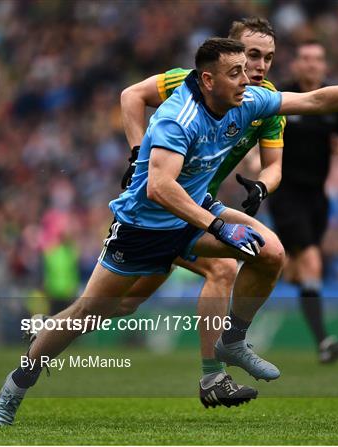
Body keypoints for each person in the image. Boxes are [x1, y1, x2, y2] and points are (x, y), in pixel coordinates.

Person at [0, 36, 338, 426]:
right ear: (207, 80)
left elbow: (313, 99)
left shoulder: (248, 100)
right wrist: (219, 226)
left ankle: (232, 342)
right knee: (87, 314)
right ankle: (16, 385)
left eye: (248, 69)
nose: (248, 79)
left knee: (271, 251)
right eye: (236, 72)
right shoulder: (176, 117)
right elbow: (159, 188)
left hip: (194, 217)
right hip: (143, 229)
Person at [117, 18, 285, 408]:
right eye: (251, 56)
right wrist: (137, 154)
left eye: (268, 58)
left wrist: (263, 184)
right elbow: (131, 96)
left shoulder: (267, 103)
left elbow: (274, 164)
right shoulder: (190, 81)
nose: (258, 67)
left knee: (127, 300)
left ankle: (216, 370)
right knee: (125, 298)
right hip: (162, 204)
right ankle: (213, 376)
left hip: (199, 206)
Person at [269, 41, 338, 363]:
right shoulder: (284, 98)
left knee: (293, 272)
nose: (311, 64)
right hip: (287, 194)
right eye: (305, 58)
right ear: (296, 64)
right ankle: (324, 342)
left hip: (318, 197)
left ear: (324, 65)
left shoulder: (333, 102)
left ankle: (243, 278)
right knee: (312, 262)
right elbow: (260, 133)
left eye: (317, 59)